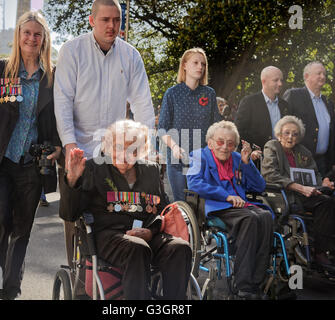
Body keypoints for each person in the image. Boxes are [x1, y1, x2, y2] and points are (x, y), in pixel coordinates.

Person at [54, 0, 155, 296]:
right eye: (105, 20)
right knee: (76, 217)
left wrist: (145, 146)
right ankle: (81, 278)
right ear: (92, 20)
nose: (112, 26)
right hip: (80, 148)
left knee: (119, 212)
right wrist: (71, 145)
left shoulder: (131, 55)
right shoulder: (72, 51)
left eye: (117, 20)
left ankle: (117, 273)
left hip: (116, 152)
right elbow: (63, 103)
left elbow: (143, 106)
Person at [0, 11, 61, 300]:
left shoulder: (52, 77)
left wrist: (57, 145)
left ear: (44, 39)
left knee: (21, 231)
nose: (32, 38)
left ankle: (11, 290)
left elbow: (59, 117)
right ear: (18, 37)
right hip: (1, 165)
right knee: (0, 226)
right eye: (27, 33)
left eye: (37, 34)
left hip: (32, 167)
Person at [62, 119, 192, 299]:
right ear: (107, 147)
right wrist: (72, 180)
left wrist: (150, 231)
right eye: (119, 147)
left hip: (147, 235)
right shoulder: (93, 169)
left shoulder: (152, 170)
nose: (125, 154)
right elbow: (70, 214)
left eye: (133, 149)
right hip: (106, 235)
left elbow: (163, 211)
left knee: (180, 247)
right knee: (137, 248)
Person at [187, 120, 273, 299]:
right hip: (216, 205)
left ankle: (257, 280)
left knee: (265, 216)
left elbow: (259, 186)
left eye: (230, 143)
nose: (225, 147)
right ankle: (244, 284)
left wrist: (247, 163)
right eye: (220, 142)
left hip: (241, 205)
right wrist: (225, 196)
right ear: (210, 142)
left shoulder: (236, 158)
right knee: (249, 219)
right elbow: (194, 183)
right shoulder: (197, 155)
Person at [261, 115, 335, 272]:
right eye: (287, 133)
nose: (290, 137)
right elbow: (270, 174)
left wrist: (322, 183)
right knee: (326, 204)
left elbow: (314, 173)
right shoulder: (272, 147)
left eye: (295, 134)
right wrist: (300, 187)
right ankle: (319, 252)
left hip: (306, 194)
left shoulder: (304, 151)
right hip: (285, 196)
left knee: (329, 200)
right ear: (279, 134)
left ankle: (323, 249)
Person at [158, 47, 221, 202]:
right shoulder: (172, 93)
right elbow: (162, 128)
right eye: (195, 63)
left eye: (203, 64)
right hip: (177, 159)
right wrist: (173, 147)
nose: (200, 67)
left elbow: (216, 127)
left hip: (202, 159)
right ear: (184, 65)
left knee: (200, 205)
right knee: (181, 205)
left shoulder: (209, 93)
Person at [283, 62, 335, 176]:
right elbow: (282, 127)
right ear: (306, 76)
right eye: (319, 73)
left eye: (324, 74)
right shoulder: (294, 95)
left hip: (323, 163)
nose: (323, 77)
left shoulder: (328, 103)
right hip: (299, 161)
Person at [235, 66, 290, 154]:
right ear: (264, 81)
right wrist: (250, 153)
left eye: (281, 80)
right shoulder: (249, 102)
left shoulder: (285, 106)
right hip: (256, 160)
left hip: (281, 158)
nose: (280, 84)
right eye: (276, 80)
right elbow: (239, 132)